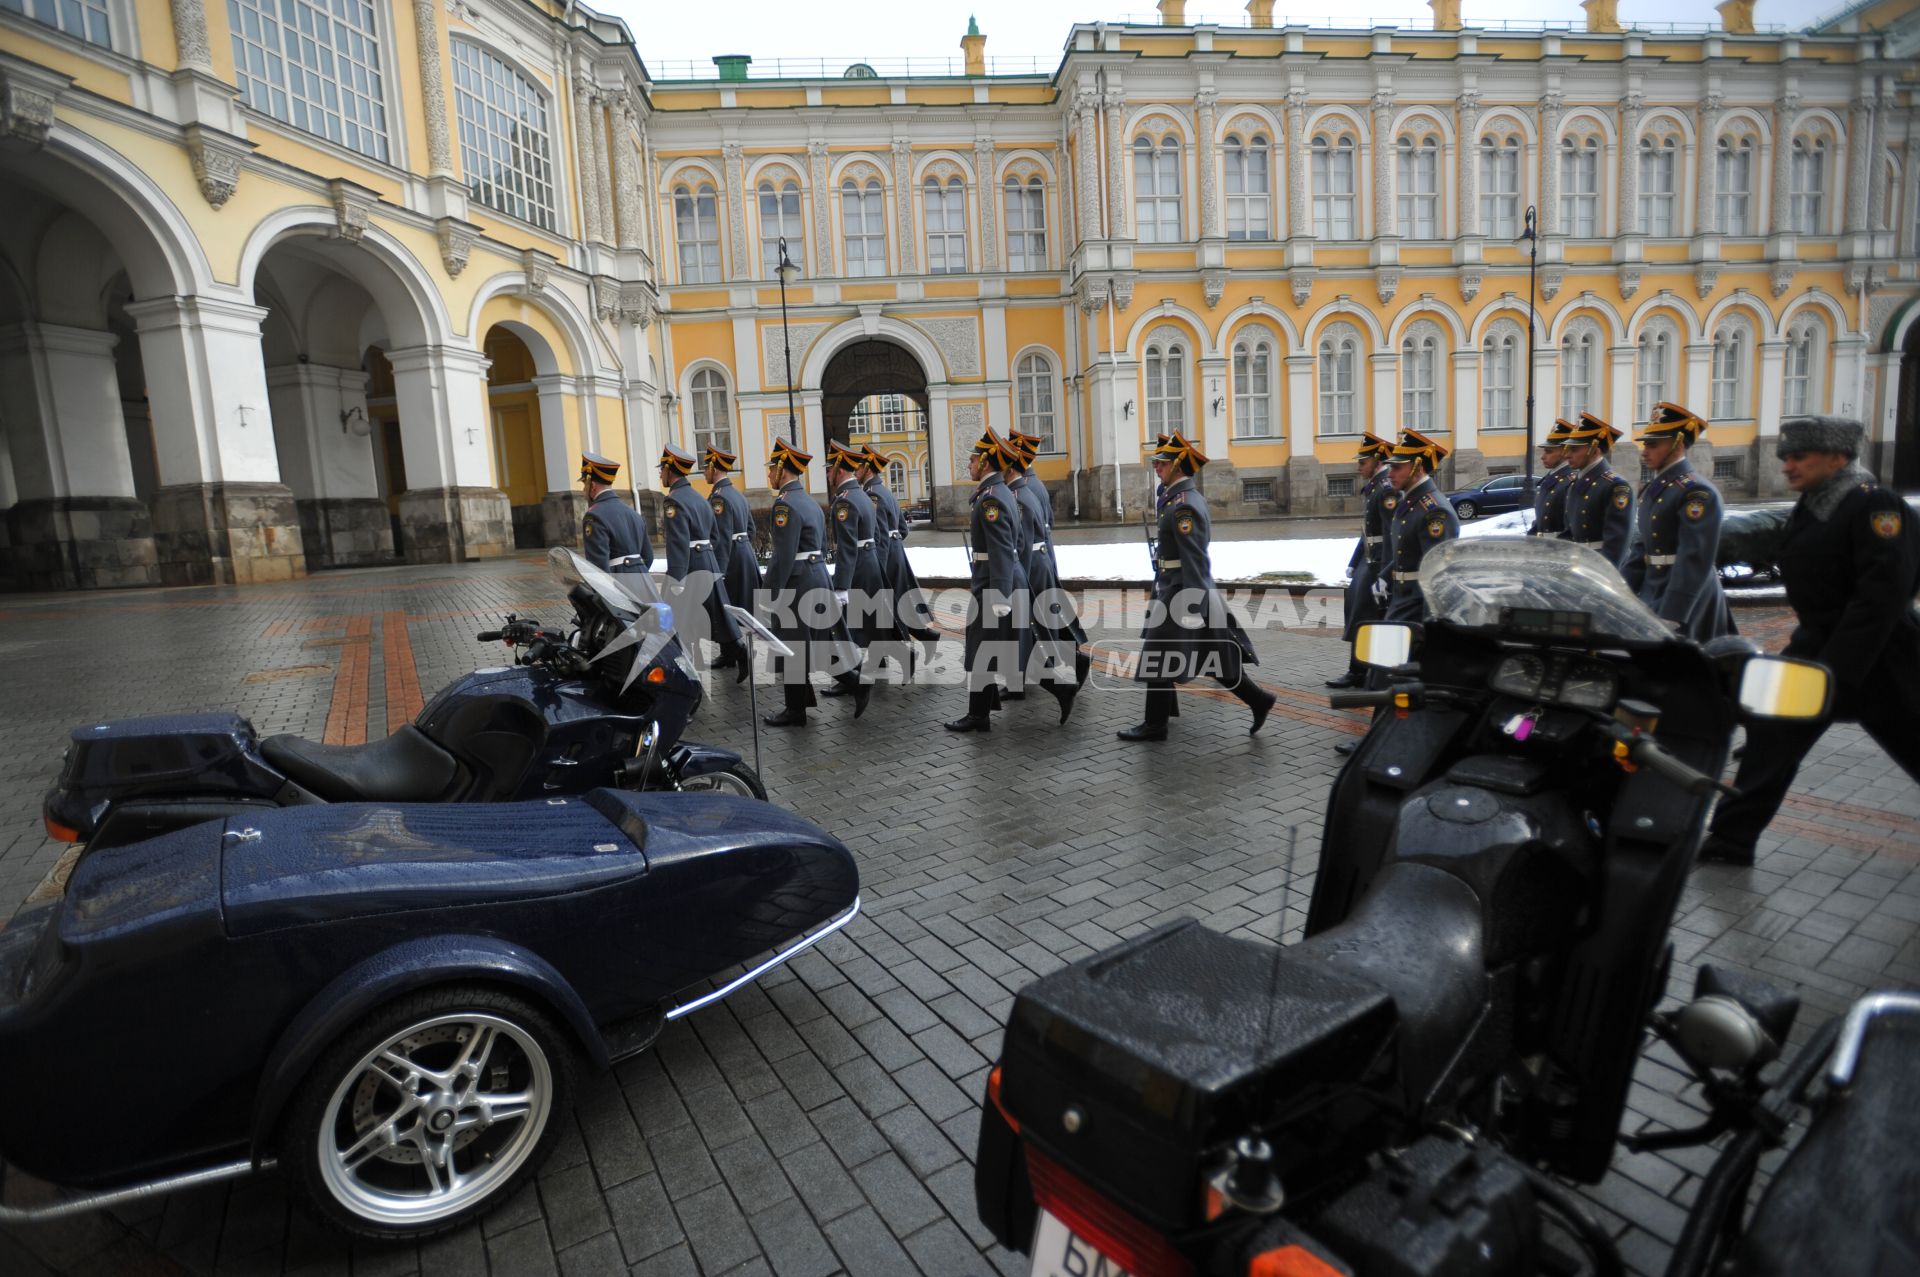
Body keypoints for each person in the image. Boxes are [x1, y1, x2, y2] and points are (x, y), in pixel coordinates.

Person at [1699, 416, 1920, 866]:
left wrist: (1836, 670)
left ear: (1838, 458)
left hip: (1880, 656)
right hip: (1816, 648)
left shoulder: (1875, 506)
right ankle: (1730, 840)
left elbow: (1881, 597)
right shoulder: (1816, 503)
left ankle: (1731, 837)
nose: (1788, 466)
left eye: (1799, 457)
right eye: (1786, 457)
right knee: (1772, 733)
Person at [1118, 432, 1275, 742]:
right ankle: (1259, 700)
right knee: (1213, 658)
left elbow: (1195, 559)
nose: (1156, 468)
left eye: (1161, 463)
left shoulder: (1184, 506)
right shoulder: (1178, 498)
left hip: (1184, 592)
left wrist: (1190, 605)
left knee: (1159, 655)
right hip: (1177, 588)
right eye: (1156, 462)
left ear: (1178, 466)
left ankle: (1155, 725)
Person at [948, 429, 1061, 730]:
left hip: (993, 584)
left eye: (972, 460)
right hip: (999, 579)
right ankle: (980, 714)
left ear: (985, 462)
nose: (969, 465)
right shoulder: (999, 492)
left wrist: (1000, 591)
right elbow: (1019, 542)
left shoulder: (991, 500)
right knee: (992, 647)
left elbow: (1001, 547)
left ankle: (980, 714)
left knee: (986, 648)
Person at [759, 439, 868, 727]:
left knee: (791, 645)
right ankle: (845, 685)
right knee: (816, 643)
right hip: (815, 575)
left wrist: (770, 593)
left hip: (797, 582)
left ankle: (800, 708)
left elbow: (783, 556)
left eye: (771, 469)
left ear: (782, 470)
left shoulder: (784, 505)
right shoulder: (808, 501)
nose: (769, 474)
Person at [1620, 402, 1734, 640]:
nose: (1644, 452)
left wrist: (1675, 611)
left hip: (1688, 597)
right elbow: (1643, 547)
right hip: (1656, 587)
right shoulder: (1658, 488)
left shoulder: (1696, 493)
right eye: (1645, 445)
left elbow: (1694, 556)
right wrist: (1620, 592)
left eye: (1653, 445)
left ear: (1678, 445)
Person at [1007, 433, 1090, 693]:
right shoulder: (1035, 484)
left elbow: (1023, 537)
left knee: (1035, 622)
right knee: (1047, 618)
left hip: (1031, 563)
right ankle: (1072, 661)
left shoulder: (1023, 489)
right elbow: (1049, 523)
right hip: (1041, 558)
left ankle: (1061, 667)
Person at [657, 445, 745, 676]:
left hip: (688, 565)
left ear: (669, 469)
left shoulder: (672, 501)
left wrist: (676, 579)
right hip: (707, 560)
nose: (660, 475)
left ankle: (685, 672)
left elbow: (677, 542)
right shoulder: (698, 497)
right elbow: (715, 535)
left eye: (661, 470)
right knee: (716, 613)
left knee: (676, 622)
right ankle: (739, 650)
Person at [822, 441, 898, 689]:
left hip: (856, 566)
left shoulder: (844, 501)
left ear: (839, 471)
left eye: (829, 469)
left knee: (849, 624)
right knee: (869, 617)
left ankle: (850, 678)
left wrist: (841, 584)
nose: (827, 473)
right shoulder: (862, 495)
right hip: (869, 562)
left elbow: (846, 546)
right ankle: (881, 660)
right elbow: (877, 536)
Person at [1328, 432, 1396, 690]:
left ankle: (1361, 671)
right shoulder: (1376, 488)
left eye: (1363, 462)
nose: (1359, 467)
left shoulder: (1386, 490)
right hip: (1368, 562)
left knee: (1367, 618)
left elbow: (1391, 535)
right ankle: (1360, 670)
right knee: (1359, 615)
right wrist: (1354, 560)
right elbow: (1367, 531)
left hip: (1378, 564)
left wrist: (1384, 572)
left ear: (1377, 462)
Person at [858, 444, 938, 659]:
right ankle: (924, 637)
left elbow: (880, 535)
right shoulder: (885, 492)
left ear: (868, 468)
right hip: (896, 554)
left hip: (885, 557)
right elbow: (902, 530)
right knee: (898, 605)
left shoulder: (872, 495)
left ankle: (891, 653)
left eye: (859, 466)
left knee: (885, 607)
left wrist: (879, 570)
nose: (855, 470)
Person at [1380, 428, 1460, 624]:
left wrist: (1429, 624)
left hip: (1417, 606)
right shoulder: (1412, 501)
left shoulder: (1433, 511)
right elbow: (1408, 550)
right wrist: (1386, 577)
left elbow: (1437, 572)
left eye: (1397, 468)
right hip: (1403, 599)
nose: (1390, 474)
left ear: (1418, 468)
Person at [702, 445, 760, 672]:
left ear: (714, 468)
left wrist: (719, 570)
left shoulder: (719, 498)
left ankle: (736, 652)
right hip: (743, 553)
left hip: (731, 558)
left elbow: (722, 536)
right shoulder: (737, 494)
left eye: (706, 468)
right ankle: (728, 654)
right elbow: (751, 530)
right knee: (735, 606)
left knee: (726, 606)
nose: (705, 472)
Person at [1560, 413, 1635, 566]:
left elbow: (1617, 543)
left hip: (1600, 567)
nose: (1567, 455)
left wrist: (1604, 576)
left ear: (1595, 451)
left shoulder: (1615, 486)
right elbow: (1569, 532)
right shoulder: (1576, 482)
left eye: (1574, 449)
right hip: (1580, 566)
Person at [579, 450, 650, 575]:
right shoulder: (634, 514)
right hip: (643, 584)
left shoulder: (594, 516)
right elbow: (648, 557)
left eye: (585, 484)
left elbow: (598, 566)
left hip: (617, 586)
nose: (584, 489)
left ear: (593, 485)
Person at [1532, 421, 1576, 538]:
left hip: (1557, 548)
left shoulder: (1569, 481)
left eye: (1549, 451)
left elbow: (1570, 527)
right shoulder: (1552, 478)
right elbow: (1540, 519)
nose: (1542, 457)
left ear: (1565, 452)